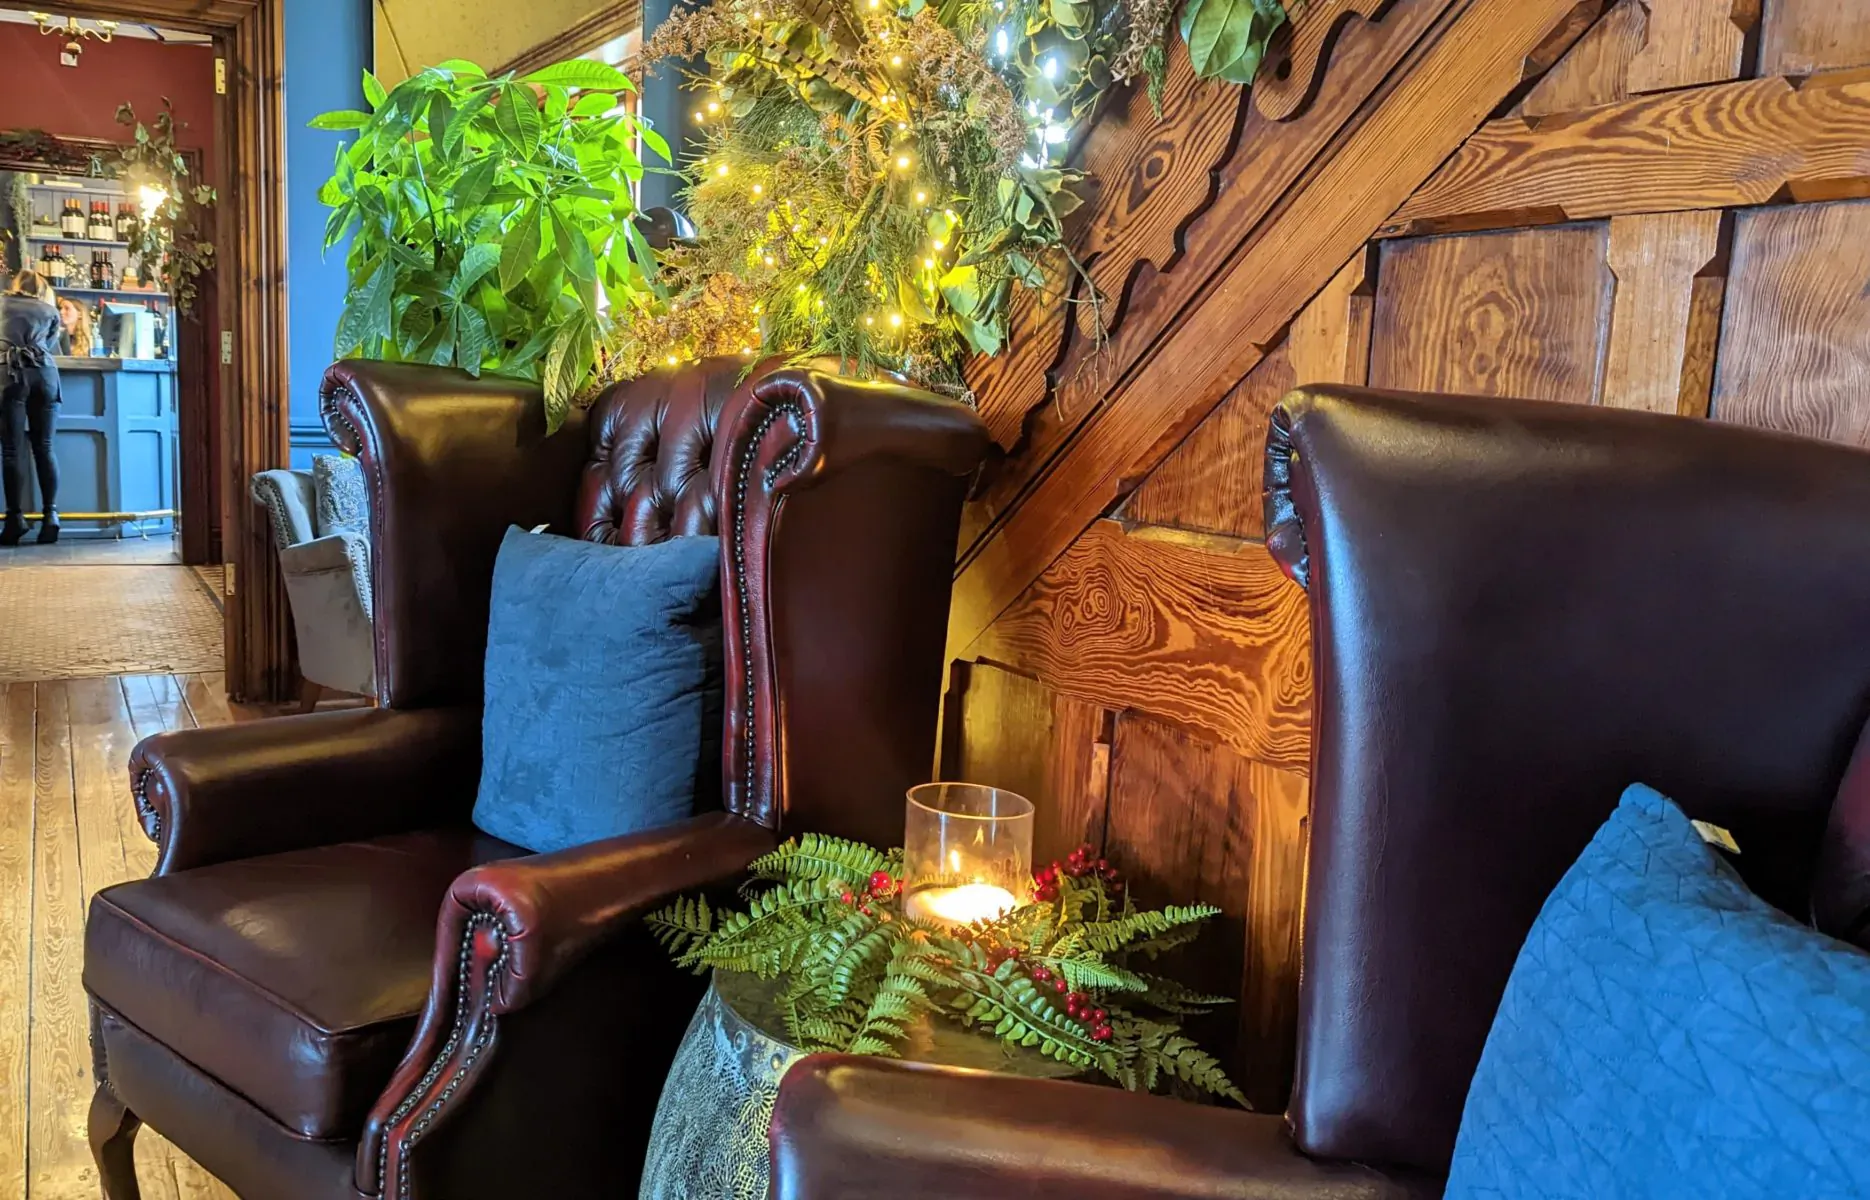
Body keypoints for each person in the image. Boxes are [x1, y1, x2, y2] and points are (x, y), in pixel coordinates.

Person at [0, 270, 63, 545]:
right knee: (45, 447)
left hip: (10, 374)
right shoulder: (49, 309)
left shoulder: (1, 303)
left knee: (12, 450)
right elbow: (50, 346)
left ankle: (15, 519)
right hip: (46, 375)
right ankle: (51, 515)